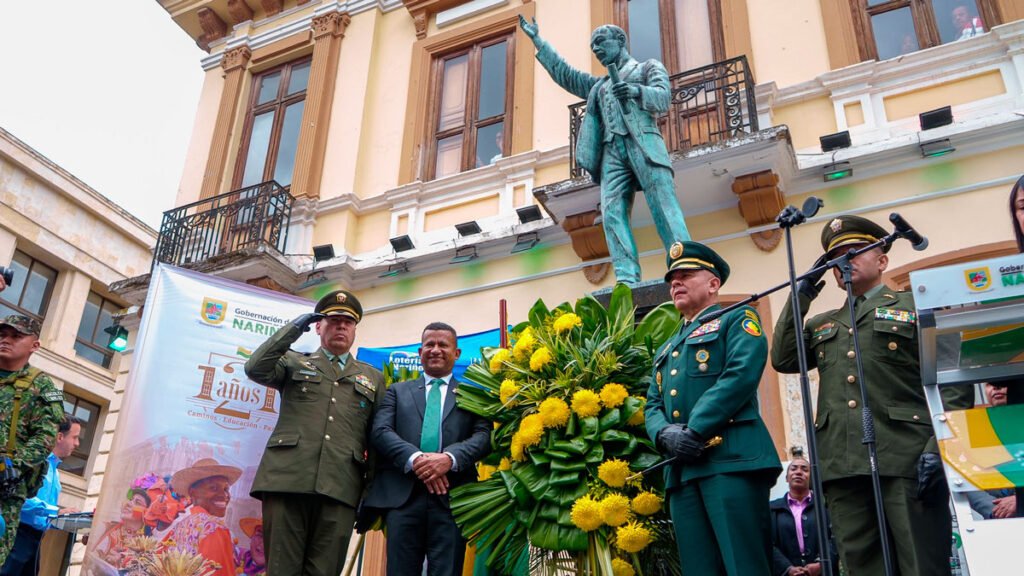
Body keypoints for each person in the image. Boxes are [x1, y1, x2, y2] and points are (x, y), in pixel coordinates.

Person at [770, 215, 975, 576]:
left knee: (920, 562)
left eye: (855, 251)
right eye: (836, 257)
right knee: (862, 566)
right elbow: (784, 358)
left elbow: (953, 383)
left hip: (908, 456)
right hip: (843, 463)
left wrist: (937, 448)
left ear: (882, 260)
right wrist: (803, 291)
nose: (844, 260)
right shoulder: (822, 324)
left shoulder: (916, 306)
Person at [519, 17, 691, 284]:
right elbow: (566, 74)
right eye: (592, 47)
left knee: (663, 205)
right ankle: (626, 276)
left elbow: (663, 98)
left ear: (620, 41)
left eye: (600, 42)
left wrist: (635, 91)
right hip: (611, 152)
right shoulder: (598, 86)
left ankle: (685, 264)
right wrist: (538, 41)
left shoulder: (647, 67)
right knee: (612, 212)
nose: (596, 50)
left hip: (643, 144)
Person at [645, 241, 781, 575]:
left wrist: (695, 429)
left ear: (713, 283)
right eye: (672, 279)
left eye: (686, 275)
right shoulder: (667, 347)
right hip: (683, 470)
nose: (676, 283)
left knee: (744, 565)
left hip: (730, 460)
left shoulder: (737, 318)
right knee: (699, 569)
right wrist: (664, 434)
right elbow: (652, 403)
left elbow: (740, 374)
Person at [244, 290, 385, 576]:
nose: (341, 326)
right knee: (282, 570)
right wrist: (294, 329)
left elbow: (376, 438)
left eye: (348, 322)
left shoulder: (372, 377)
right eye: (333, 320)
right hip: (287, 480)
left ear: (355, 329)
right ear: (318, 326)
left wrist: (370, 494)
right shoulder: (294, 362)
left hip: (341, 486)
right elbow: (255, 368)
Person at [364, 322, 491, 576]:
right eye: (429, 344)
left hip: (452, 499)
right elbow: (380, 431)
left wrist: (449, 459)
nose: (435, 349)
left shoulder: (472, 394)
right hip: (403, 499)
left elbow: (484, 437)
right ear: (420, 352)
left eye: (443, 345)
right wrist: (417, 460)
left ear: (456, 353)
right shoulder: (397, 391)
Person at [0, 315, 65, 564]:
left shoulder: (43, 386)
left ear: (34, 345)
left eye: (16, 336)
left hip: (5, 487)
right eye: (2, 335)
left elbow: (45, 436)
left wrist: (13, 466)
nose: (6, 340)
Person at [1, 416, 82, 575]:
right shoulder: (33, 462)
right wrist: (57, 511)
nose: (77, 443)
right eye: (75, 437)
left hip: (36, 541)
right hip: (17, 536)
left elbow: (45, 517)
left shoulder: (55, 473)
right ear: (60, 437)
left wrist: (71, 520)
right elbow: (19, 498)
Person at [161, 458, 241, 576]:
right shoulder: (214, 527)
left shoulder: (178, 528)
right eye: (213, 488)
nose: (224, 495)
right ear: (193, 493)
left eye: (226, 489)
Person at [770, 456, 838, 576]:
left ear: (812, 479)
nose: (798, 472)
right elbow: (768, 543)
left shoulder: (826, 506)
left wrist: (822, 564)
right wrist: (787, 568)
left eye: (805, 469)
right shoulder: (772, 508)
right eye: (794, 469)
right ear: (786, 478)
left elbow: (836, 538)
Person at [92, 486, 151, 570]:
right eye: (130, 499)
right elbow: (88, 562)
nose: (128, 503)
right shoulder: (104, 528)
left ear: (148, 512)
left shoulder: (148, 547)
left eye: (137, 503)